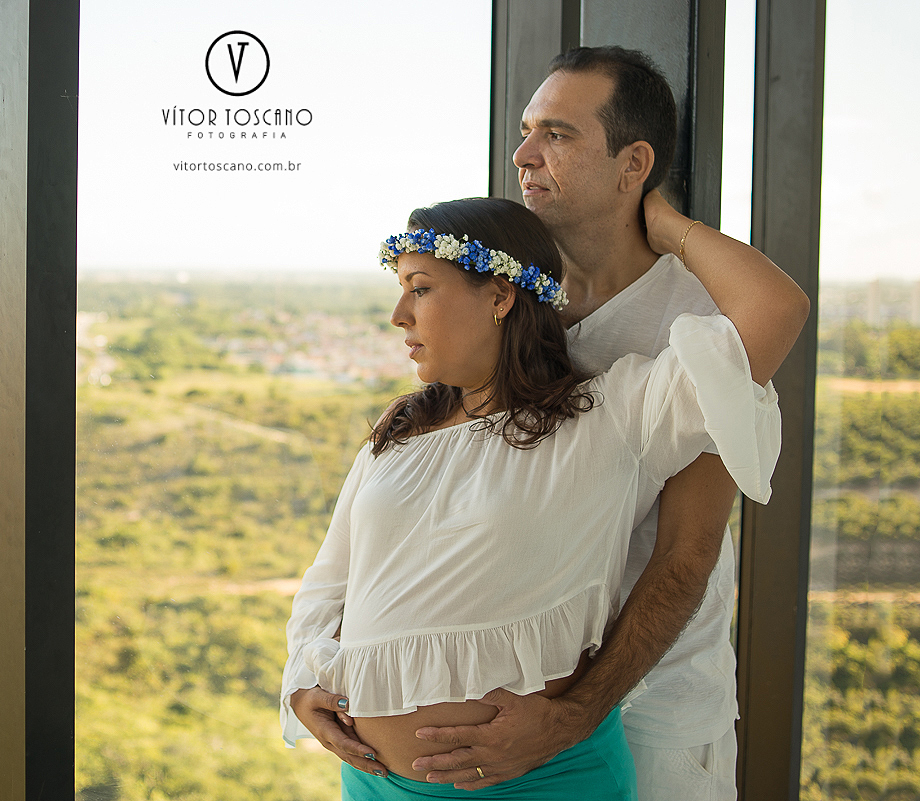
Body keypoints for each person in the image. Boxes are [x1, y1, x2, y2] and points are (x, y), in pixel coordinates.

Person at [281, 193, 809, 799]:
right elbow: (330, 580)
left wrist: (667, 226)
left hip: (543, 783)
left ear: (501, 297)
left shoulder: (610, 418)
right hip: (375, 785)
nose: (399, 314)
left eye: (421, 288)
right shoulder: (397, 435)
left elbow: (777, 308)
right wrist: (302, 681)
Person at [407, 47, 773, 801]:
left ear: (632, 162)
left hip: (652, 713)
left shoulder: (701, 321)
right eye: (525, 130)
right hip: (519, 717)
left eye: (558, 135)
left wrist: (667, 227)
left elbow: (685, 554)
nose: (523, 155)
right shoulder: (510, 307)